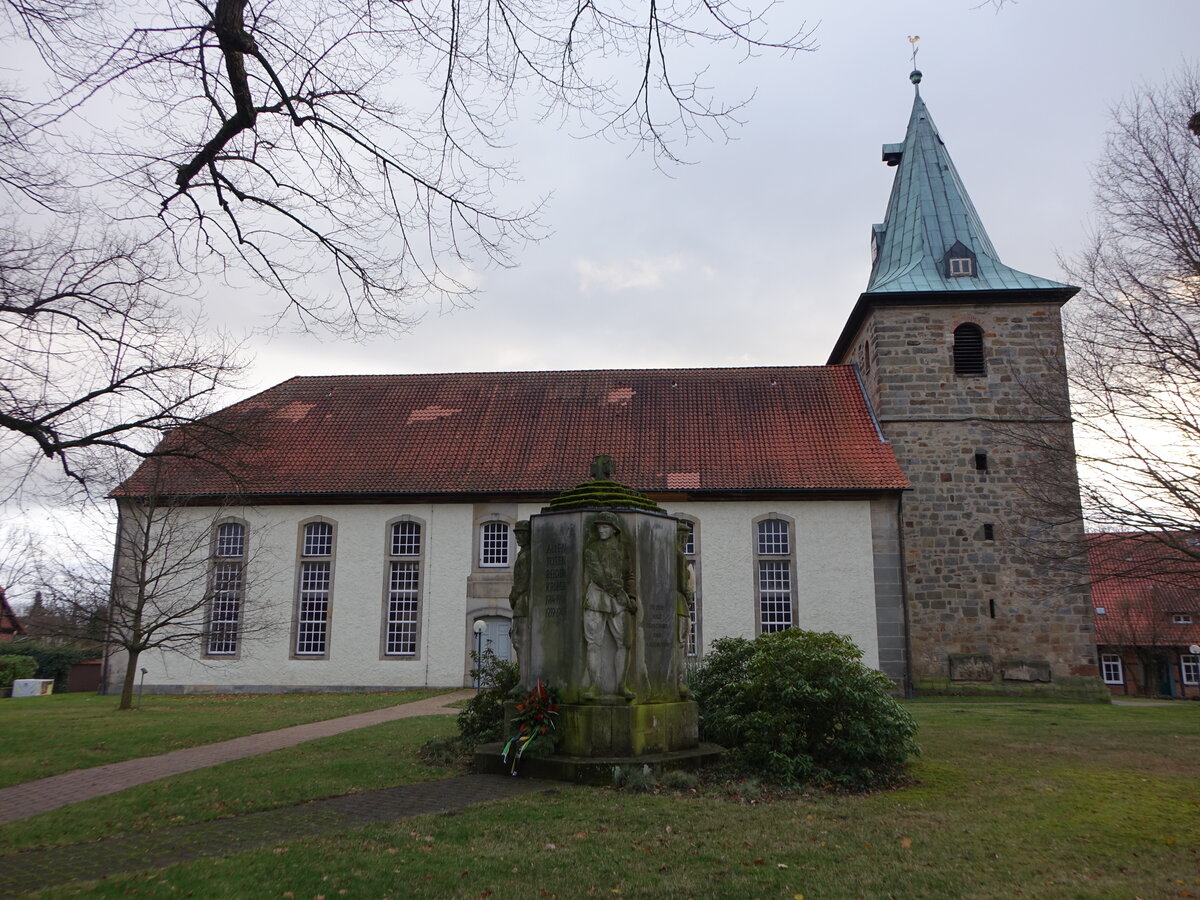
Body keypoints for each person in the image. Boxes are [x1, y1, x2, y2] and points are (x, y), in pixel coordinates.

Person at [581, 511, 636, 700]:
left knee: (625, 643)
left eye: (605, 527)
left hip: (619, 601)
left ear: (614, 529)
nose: (601, 530)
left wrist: (632, 597)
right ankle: (594, 685)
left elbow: (630, 574)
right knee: (593, 643)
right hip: (597, 597)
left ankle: (621, 685)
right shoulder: (591, 549)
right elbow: (597, 574)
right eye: (599, 527)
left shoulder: (624, 549)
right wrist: (618, 593)